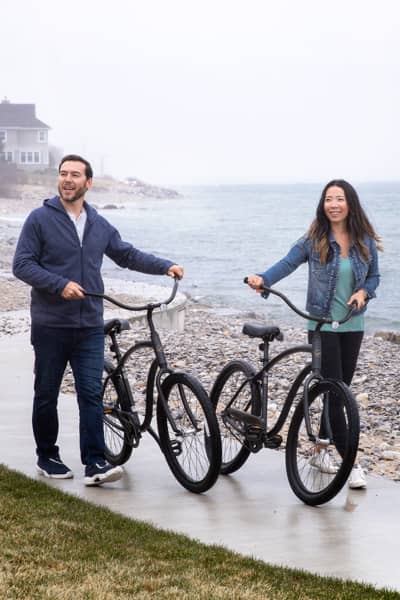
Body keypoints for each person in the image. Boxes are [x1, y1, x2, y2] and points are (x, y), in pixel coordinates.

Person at [13, 154, 184, 486]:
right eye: (63, 173)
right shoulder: (39, 219)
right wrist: (59, 285)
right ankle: (47, 455)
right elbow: (22, 264)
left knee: (90, 394)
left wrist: (165, 266)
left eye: (75, 174)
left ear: (88, 183)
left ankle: (95, 463)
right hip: (50, 325)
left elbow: (127, 255)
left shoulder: (98, 224)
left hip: (89, 325)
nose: (67, 179)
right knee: (46, 393)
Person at [246, 179, 381, 489]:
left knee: (338, 390)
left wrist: (363, 292)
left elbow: (374, 277)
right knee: (337, 395)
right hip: (321, 327)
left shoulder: (364, 240)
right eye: (328, 199)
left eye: (339, 199)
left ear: (350, 204)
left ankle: (321, 450)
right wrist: (263, 279)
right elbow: (287, 263)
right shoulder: (314, 239)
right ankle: (352, 464)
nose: (333, 204)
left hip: (352, 325)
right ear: (323, 204)